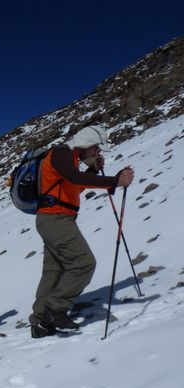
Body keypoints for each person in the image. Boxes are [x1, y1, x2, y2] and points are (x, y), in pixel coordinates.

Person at [28, 125, 135, 338]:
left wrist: (93, 171)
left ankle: (40, 323)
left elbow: (74, 186)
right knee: (83, 263)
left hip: (55, 219)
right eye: (96, 148)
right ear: (86, 144)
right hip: (56, 219)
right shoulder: (61, 153)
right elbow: (75, 179)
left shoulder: (69, 159)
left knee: (54, 270)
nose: (97, 152)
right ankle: (55, 309)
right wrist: (114, 180)